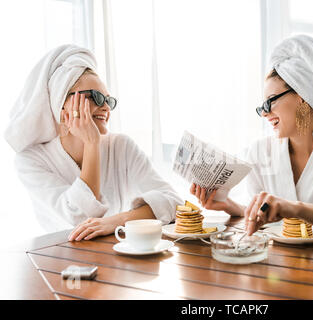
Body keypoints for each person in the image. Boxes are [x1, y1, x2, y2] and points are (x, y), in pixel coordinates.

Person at [190, 35, 313, 236]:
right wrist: (230, 206)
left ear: (302, 96)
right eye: (261, 107)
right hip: (274, 263)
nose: (264, 113)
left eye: (270, 101)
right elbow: (262, 215)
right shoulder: (259, 152)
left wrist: (294, 208)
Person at [4, 44, 182, 241]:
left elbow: (175, 203)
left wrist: (115, 221)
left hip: (118, 254)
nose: (106, 107)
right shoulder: (30, 160)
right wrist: (91, 144)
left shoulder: (121, 146)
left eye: (109, 100)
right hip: (57, 259)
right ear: (62, 106)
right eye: (95, 97)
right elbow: (80, 218)